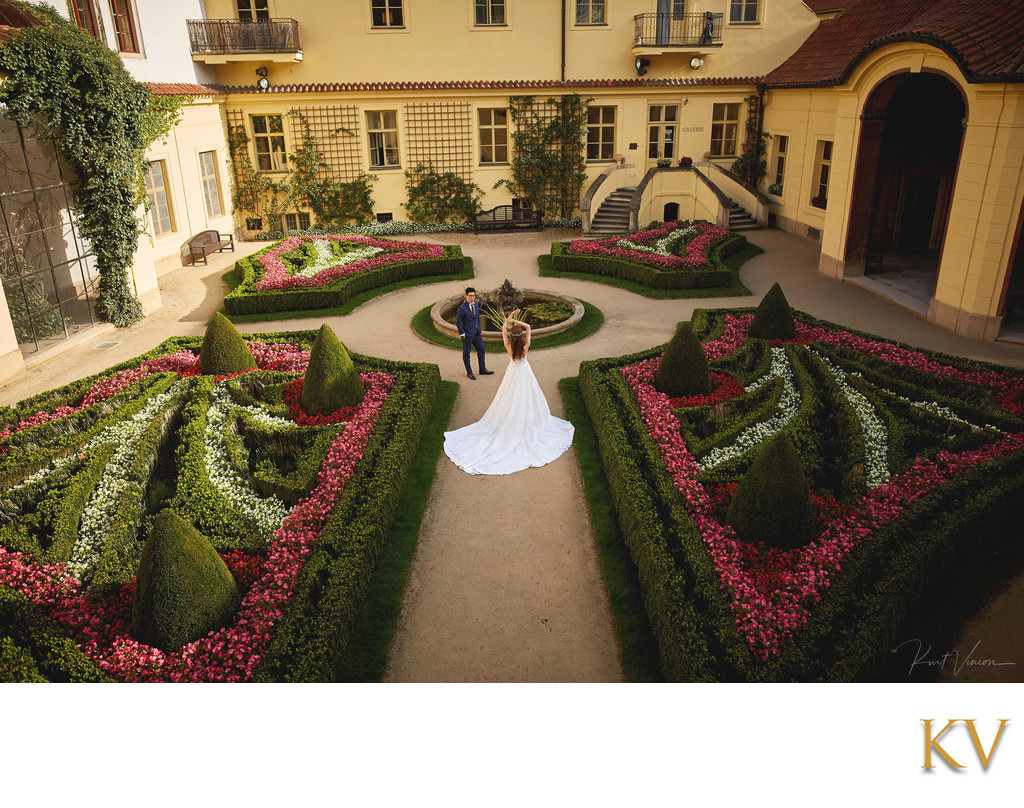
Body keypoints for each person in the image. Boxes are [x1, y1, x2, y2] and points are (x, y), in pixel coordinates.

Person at [443, 310, 574, 475]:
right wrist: (518, 323)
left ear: (512, 336)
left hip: (512, 374)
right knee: (528, 398)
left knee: (509, 398)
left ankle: (511, 419)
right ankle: (527, 421)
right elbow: (528, 327)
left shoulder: (509, 346)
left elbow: (504, 328)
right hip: (525, 373)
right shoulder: (525, 346)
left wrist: (510, 320)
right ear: (521, 336)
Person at [455, 287, 493, 380]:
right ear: (466, 296)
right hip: (467, 335)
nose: (472, 297)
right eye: (470, 296)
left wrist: (479, 329)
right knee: (466, 354)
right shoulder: (462, 308)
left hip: (476, 334)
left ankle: (482, 369)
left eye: (473, 296)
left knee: (482, 349)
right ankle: (469, 372)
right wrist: (463, 334)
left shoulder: (476, 304)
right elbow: (458, 322)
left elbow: (477, 318)